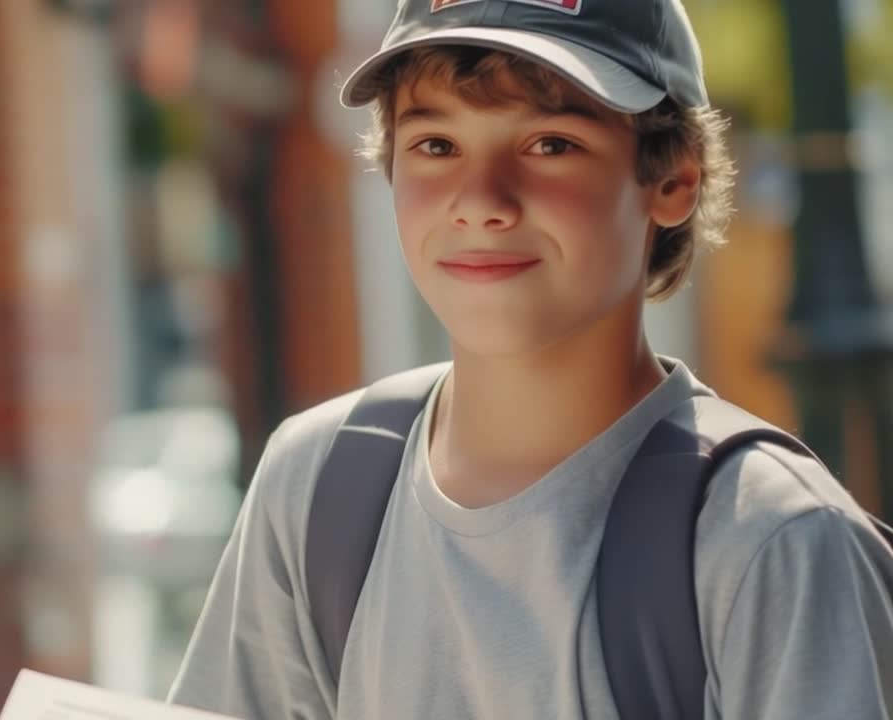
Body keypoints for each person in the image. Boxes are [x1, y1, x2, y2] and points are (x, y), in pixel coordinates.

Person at [166, 0, 893, 718]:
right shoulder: (315, 485)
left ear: (674, 180)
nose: (481, 201)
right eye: (436, 145)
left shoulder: (772, 541)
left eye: (550, 145)